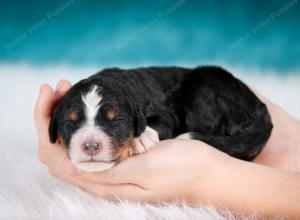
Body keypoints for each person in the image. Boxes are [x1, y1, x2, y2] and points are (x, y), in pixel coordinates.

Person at [34, 80, 300, 219]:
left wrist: (208, 178)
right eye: (72, 124)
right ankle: (284, 148)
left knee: (201, 94)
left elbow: (161, 119)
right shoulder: (121, 100)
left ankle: (271, 146)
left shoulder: (144, 109)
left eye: (113, 121)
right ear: (55, 127)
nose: (90, 142)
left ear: (136, 121)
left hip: (210, 90)